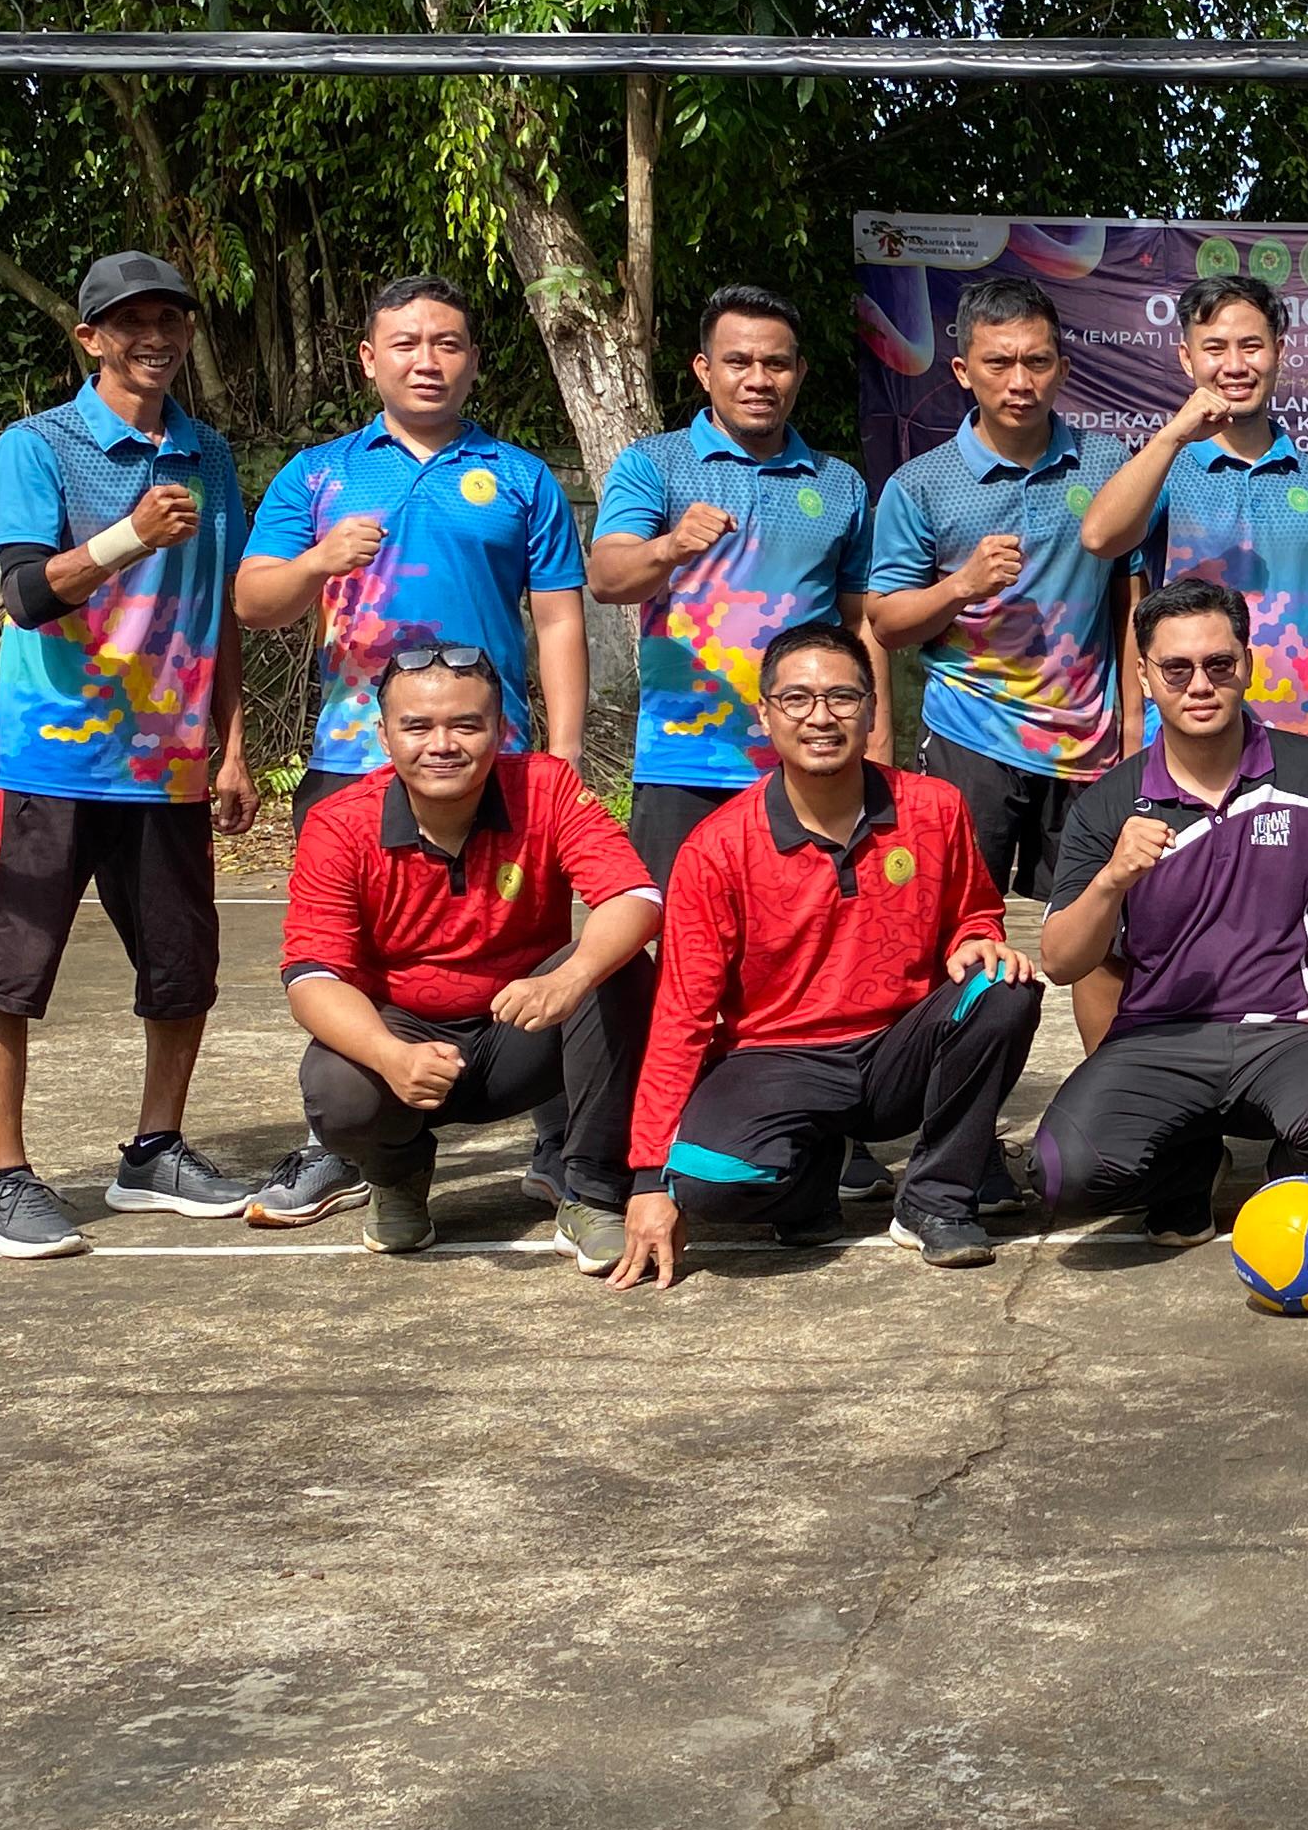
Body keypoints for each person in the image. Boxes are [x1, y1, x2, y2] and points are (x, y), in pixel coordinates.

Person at [236, 271, 590, 1228]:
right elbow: (253, 601)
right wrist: (319, 561)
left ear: (472, 359)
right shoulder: (319, 474)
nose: (427, 360)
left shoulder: (520, 477)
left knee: (536, 941)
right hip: (352, 756)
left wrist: (560, 750)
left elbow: (558, 619)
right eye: (405, 343)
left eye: (447, 343)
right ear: (369, 359)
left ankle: (560, 1142)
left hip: (495, 762)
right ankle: (352, 1144)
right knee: (339, 954)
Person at [0, 252, 260, 1260]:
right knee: (9, 969)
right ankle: (3, 1179)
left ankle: (155, 1152)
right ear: (90, 337)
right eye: (131, 322)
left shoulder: (210, 456)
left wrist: (232, 748)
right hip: (50, 760)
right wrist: (128, 537)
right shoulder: (38, 444)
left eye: (170, 319)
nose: (154, 338)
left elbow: (219, 609)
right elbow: (24, 596)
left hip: (169, 764)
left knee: (183, 967)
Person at [612, 619, 1045, 1283]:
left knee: (1005, 987)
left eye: (843, 697)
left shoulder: (934, 808)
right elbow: (681, 1015)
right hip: (775, 1059)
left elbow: (974, 912)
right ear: (766, 714)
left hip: (898, 1050)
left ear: (871, 709)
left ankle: (936, 1197)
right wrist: (648, 1176)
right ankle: (810, 1176)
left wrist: (974, 940)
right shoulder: (716, 848)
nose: (821, 717)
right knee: (706, 1186)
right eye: (797, 699)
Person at [1029, 581, 1308, 1238]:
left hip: (1294, 1034)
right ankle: (1189, 1168)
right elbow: (1060, 961)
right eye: (1176, 668)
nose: (1200, 685)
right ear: (1145, 676)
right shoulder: (1109, 804)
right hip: (1157, 1040)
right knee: (1066, 1175)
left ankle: (1296, 1173)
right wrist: (1112, 880)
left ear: (1247, 665)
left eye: (1218, 664)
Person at [278, 646, 659, 1268]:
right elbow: (311, 974)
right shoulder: (339, 823)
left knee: (619, 972)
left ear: (500, 730)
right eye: (417, 726)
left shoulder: (546, 787)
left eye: (465, 725)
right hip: (405, 1033)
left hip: (523, 1030)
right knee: (337, 1087)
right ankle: (397, 1176)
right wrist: (390, 1055)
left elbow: (635, 896)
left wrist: (571, 976)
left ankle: (592, 1191)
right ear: (384, 735)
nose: (442, 745)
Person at [867, 273, 1135, 1052]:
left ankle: (1110, 1097)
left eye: (1037, 361)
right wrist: (960, 585)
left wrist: (1135, 726)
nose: (1020, 381)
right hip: (970, 740)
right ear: (963, 371)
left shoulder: (1106, 463)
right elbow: (885, 621)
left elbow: (1131, 603)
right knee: (951, 932)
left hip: (1087, 745)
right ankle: (944, 1099)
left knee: (1102, 933)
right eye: (999, 362)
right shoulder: (921, 485)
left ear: (1062, 367)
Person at [588, 286, 875, 884]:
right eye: (738, 362)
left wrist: (875, 747)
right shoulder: (653, 464)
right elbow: (607, 579)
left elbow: (861, 626)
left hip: (810, 758)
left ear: (799, 372)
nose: (758, 379)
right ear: (704, 370)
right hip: (684, 762)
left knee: (813, 930)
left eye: (776, 364)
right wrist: (670, 546)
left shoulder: (841, 484)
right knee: (674, 930)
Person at [1076, 269, 1308, 791]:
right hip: (1185, 752)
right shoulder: (1163, 474)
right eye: (1215, 348)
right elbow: (1099, 538)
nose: (1235, 365)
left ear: (1279, 352)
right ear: (1187, 359)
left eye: (1251, 346)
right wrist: (1173, 437)